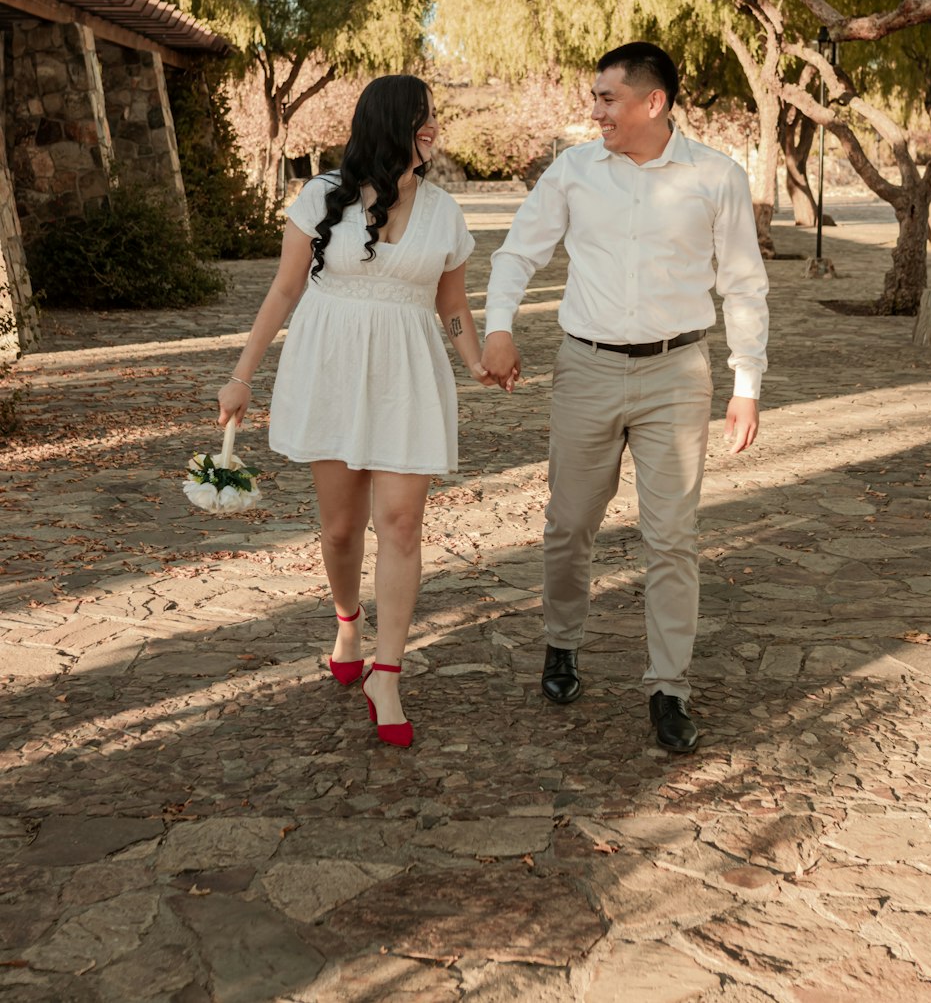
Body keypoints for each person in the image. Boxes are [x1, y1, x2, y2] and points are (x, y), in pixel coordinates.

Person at [480, 42, 769, 753]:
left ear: (654, 102)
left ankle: (669, 687)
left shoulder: (716, 177)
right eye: (595, 96)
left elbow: (743, 283)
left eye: (608, 97)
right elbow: (519, 252)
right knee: (569, 524)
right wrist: (496, 330)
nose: (596, 109)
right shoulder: (573, 172)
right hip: (587, 370)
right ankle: (562, 643)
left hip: (677, 375)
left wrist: (747, 385)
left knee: (673, 538)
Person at [217, 75, 492, 748]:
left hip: (406, 375)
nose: (433, 131)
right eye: (423, 120)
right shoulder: (319, 198)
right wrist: (241, 375)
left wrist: (478, 363)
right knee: (341, 530)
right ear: (390, 124)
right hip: (332, 370)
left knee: (399, 526)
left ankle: (387, 672)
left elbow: (451, 307)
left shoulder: (444, 213)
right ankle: (348, 621)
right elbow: (284, 291)